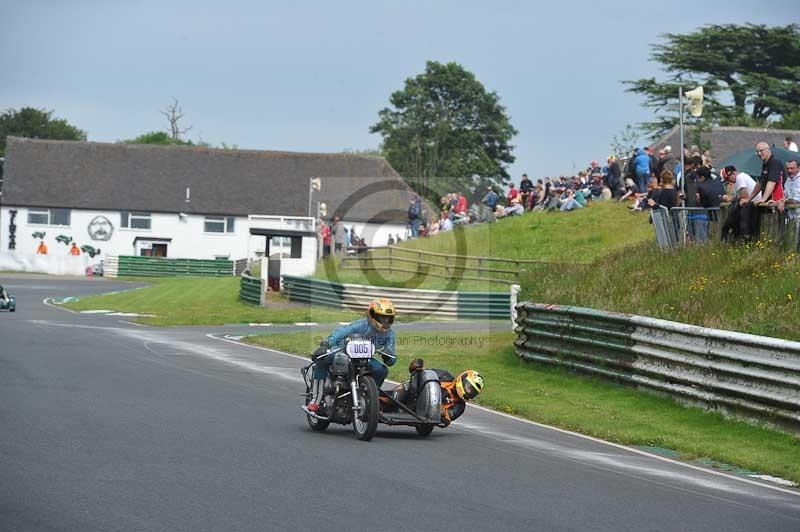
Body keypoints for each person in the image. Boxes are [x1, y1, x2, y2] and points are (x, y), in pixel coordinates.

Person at [307, 298, 398, 413]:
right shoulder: (361, 324)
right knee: (322, 359)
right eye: (382, 318)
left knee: (381, 370)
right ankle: (316, 398)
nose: (385, 321)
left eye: (388, 318)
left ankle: (371, 397)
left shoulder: (390, 334)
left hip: (366, 358)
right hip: (345, 351)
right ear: (372, 315)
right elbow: (341, 332)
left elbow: (391, 354)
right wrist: (326, 345)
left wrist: (389, 357)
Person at [384, 358, 484, 426]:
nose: (469, 392)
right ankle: (374, 397)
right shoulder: (445, 376)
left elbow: (446, 419)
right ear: (462, 379)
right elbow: (423, 374)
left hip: (422, 412)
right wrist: (416, 367)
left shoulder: (459, 406)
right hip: (412, 392)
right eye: (469, 387)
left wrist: (443, 416)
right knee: (393, 399)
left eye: (472, 392)